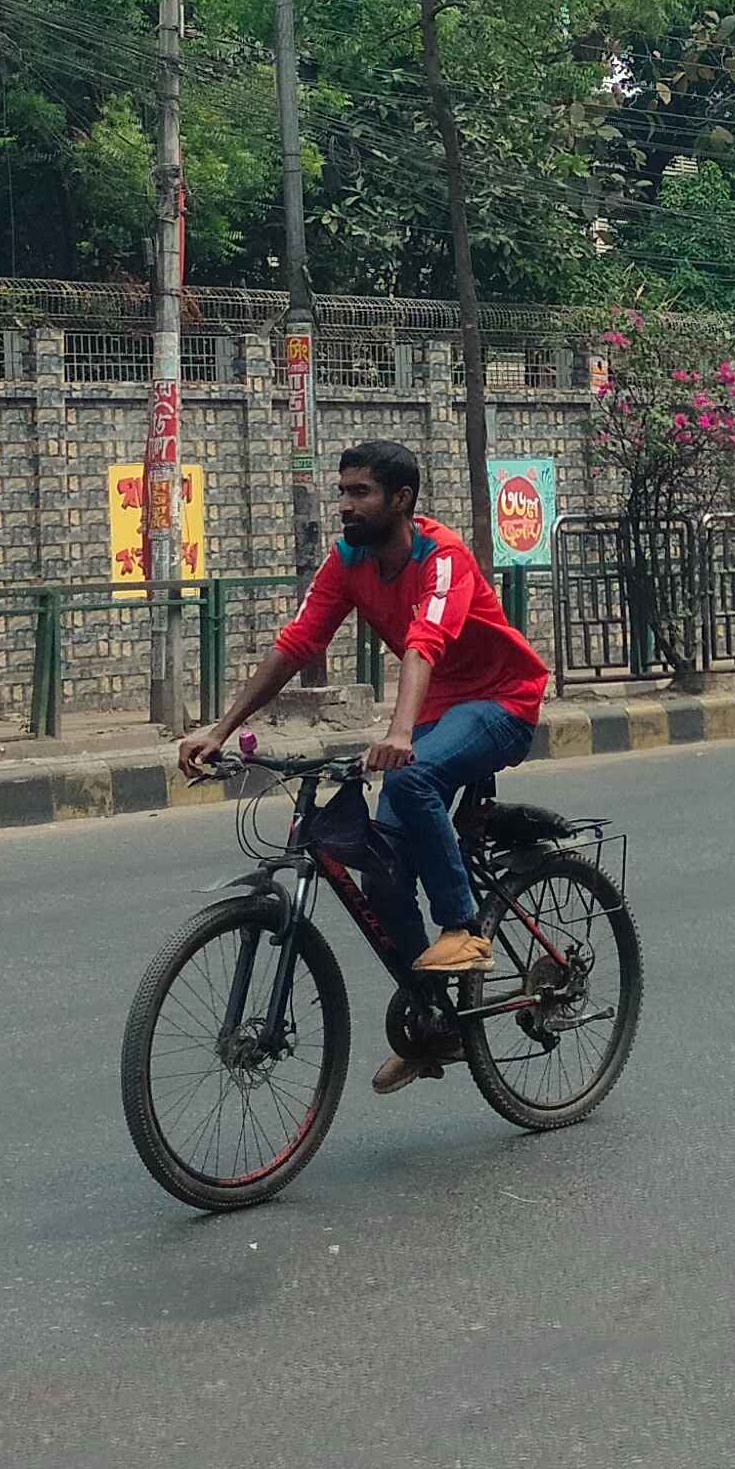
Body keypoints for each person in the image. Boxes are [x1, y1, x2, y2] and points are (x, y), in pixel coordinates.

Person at [176, 439, 554, 1094]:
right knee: (379, 869)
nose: (344, 504)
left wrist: (400, 732)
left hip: (500, 701)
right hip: (434, 709)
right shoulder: (349, 559)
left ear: (401, 499)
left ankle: (463, 928)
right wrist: (224, 727)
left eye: (360, 493)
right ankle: (437, 1018)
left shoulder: (443, 558)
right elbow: (298, 644)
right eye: (343, 491)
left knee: (410, 779)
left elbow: (423, 642)